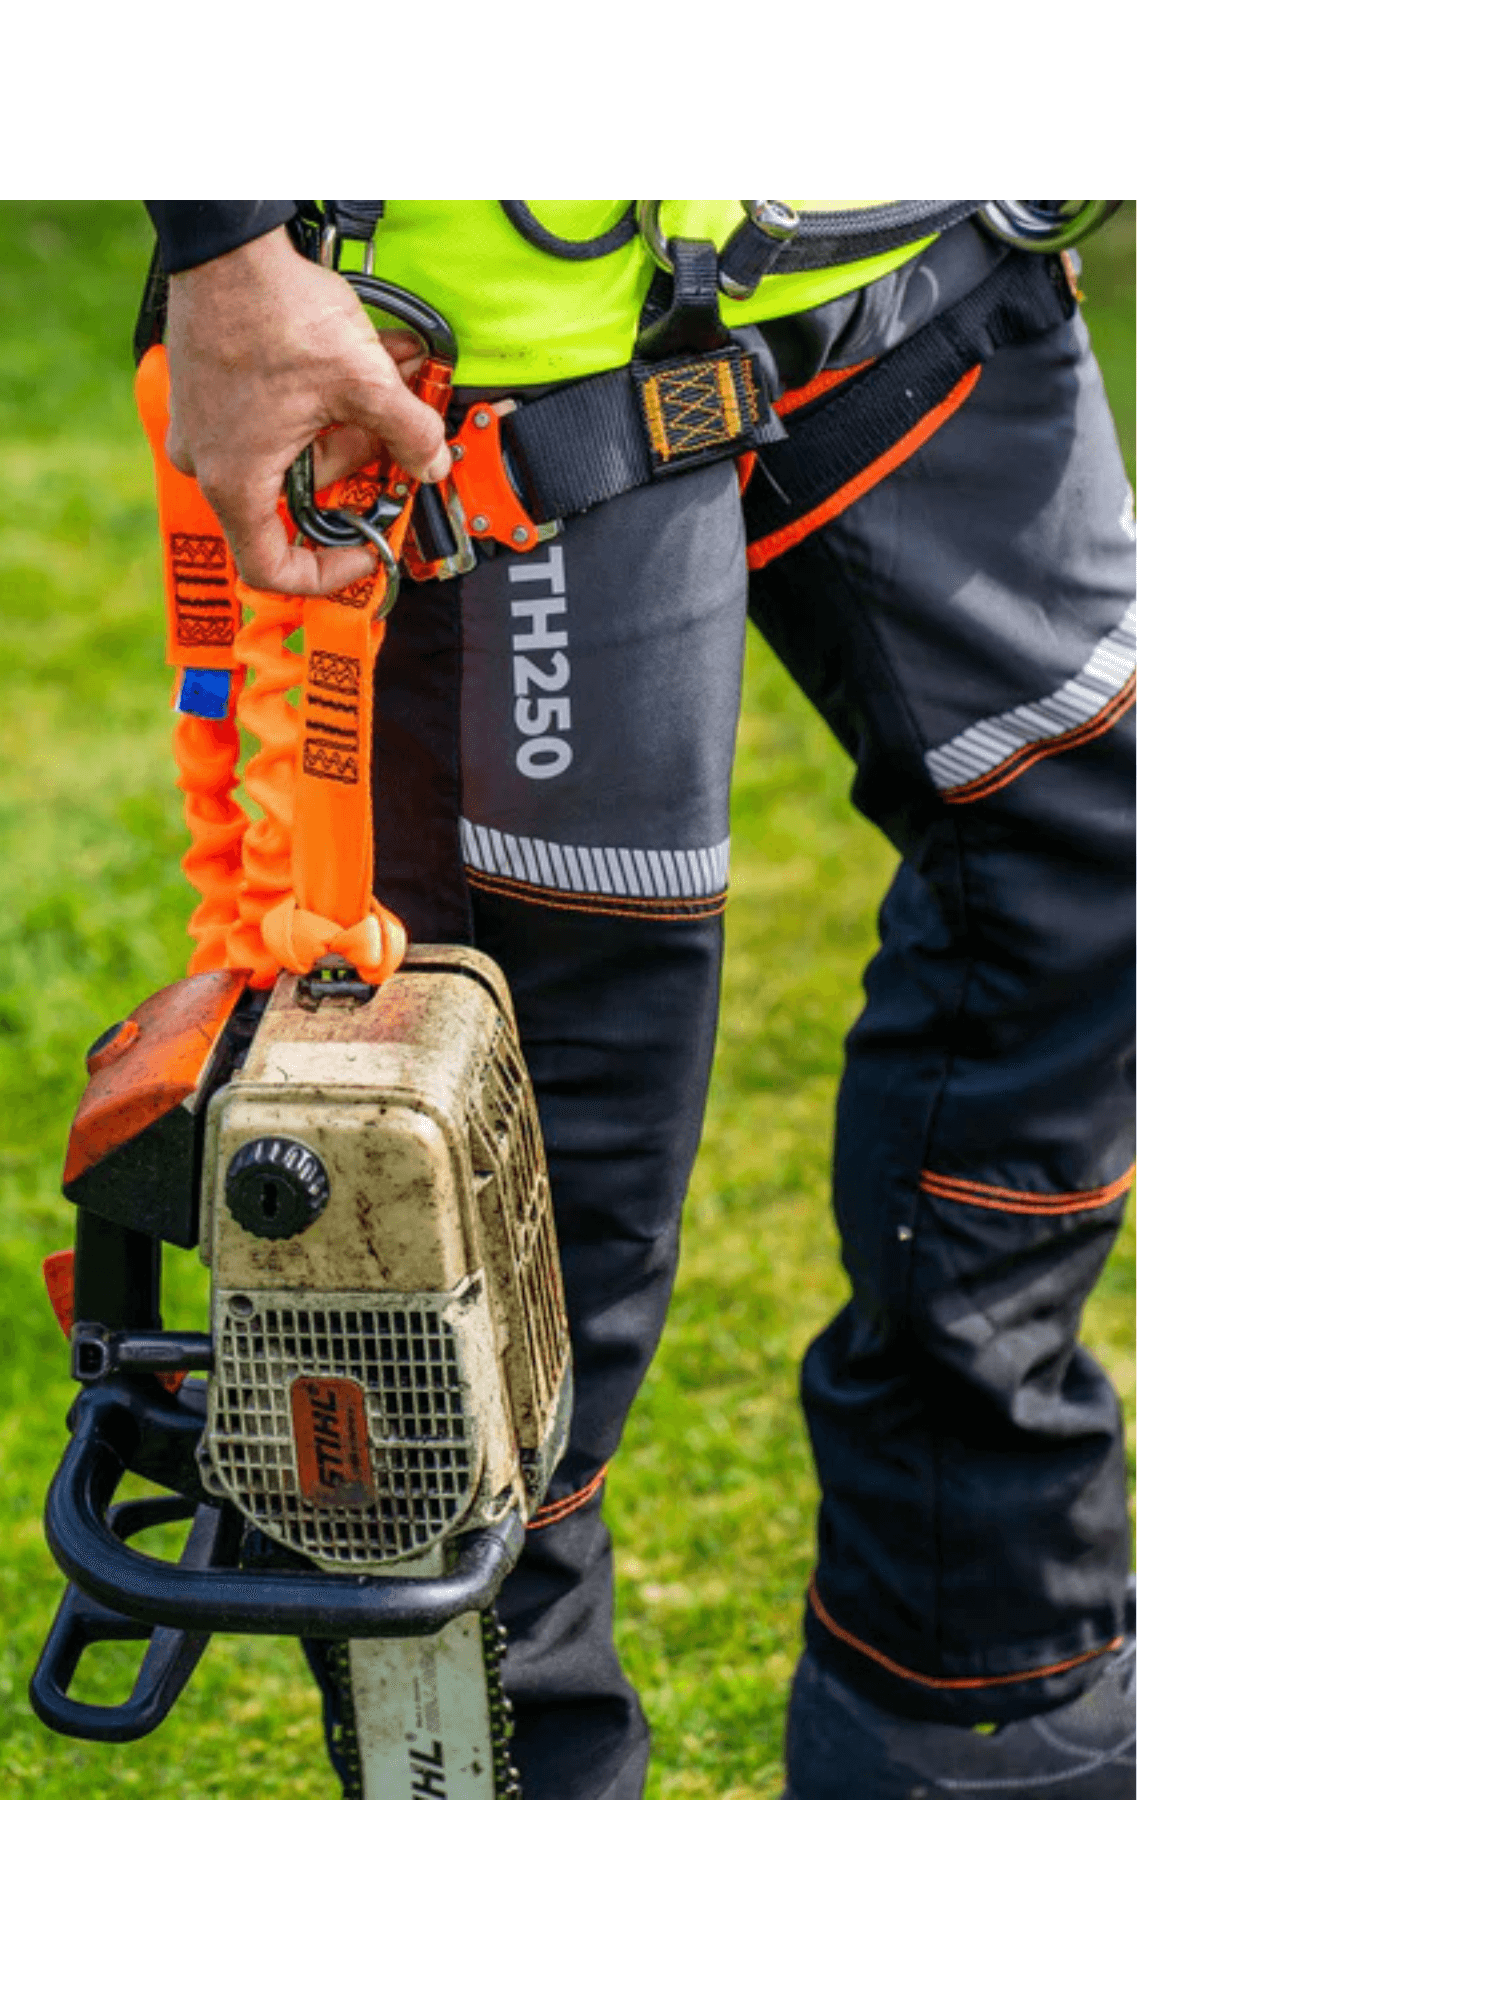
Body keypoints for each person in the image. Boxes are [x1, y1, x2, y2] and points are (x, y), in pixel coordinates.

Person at [141, 200, 1137, 1799]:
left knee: (1085, 887)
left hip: (909, 238)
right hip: (475, 356)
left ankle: (986, 1710)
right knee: (489, 1205)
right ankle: (506, 1793)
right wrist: (229, 250)